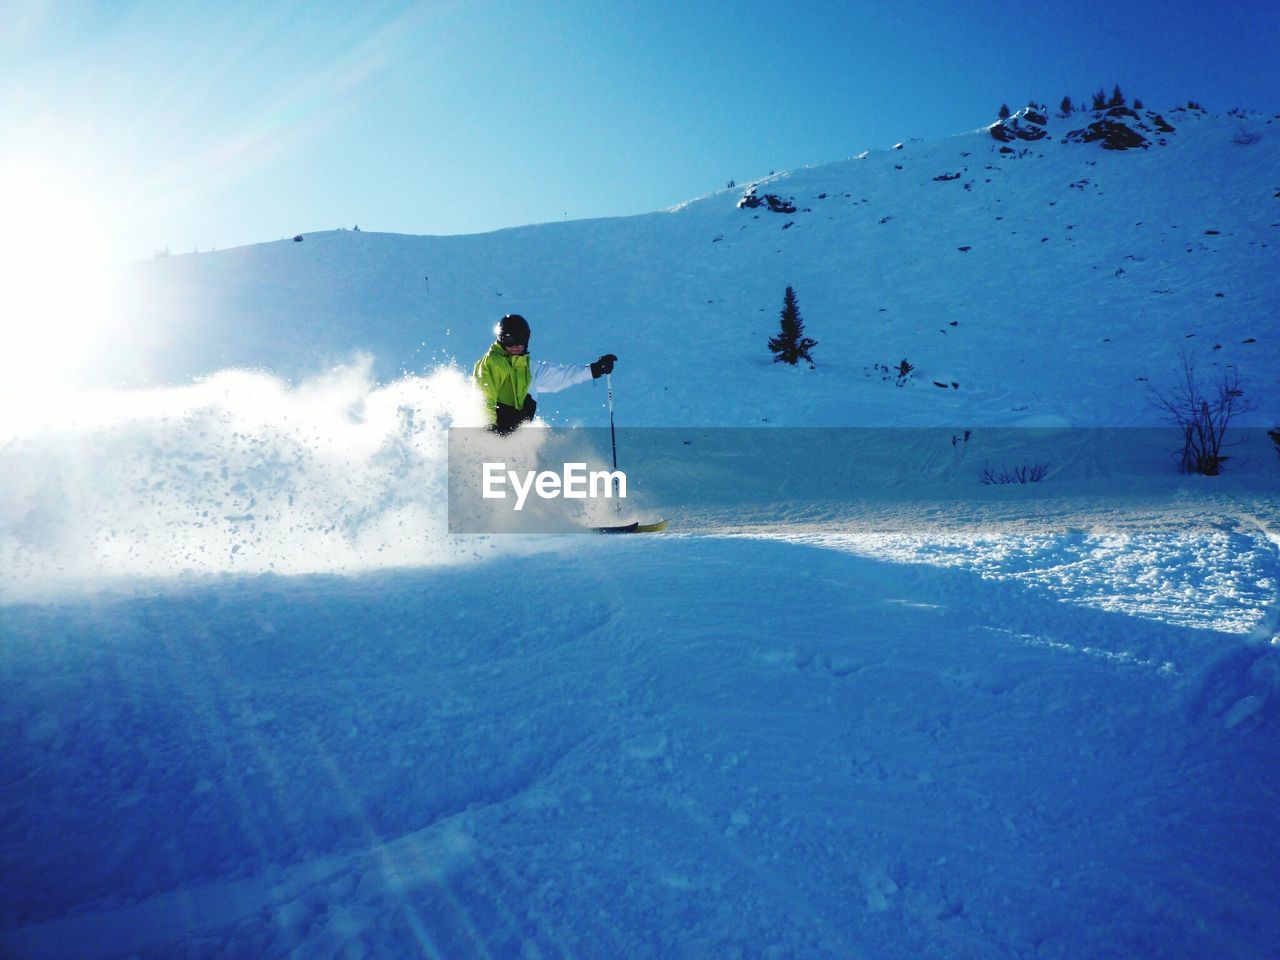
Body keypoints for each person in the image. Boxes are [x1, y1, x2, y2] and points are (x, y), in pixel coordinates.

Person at [473, 314, 617, 435]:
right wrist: (488, 428)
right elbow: (484, 395)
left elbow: (561, 377)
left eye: (520, 340)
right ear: (501, 340)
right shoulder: (493, 362)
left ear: (527, 340)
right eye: (510, 341)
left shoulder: (529, 367)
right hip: (496, 428)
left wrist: (595, 369)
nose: (516, 346)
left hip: (517, 433)